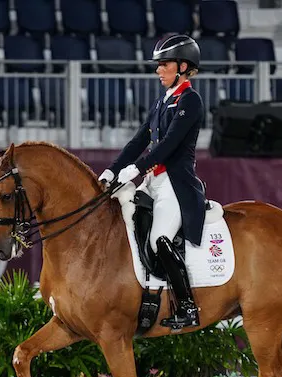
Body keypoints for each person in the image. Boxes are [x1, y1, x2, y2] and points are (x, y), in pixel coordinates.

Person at [99, 34, 206, 330]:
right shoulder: (163, 100)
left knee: (160, 240)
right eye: (158, 65)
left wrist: (136, 168)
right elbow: (140, 139)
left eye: (164, 64)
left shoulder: (190, 101)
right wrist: (113, 169)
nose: (158, 70)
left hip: (175, 183)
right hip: (154, 181)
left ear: (183, 66)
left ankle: (187, 306)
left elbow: (169, 144)